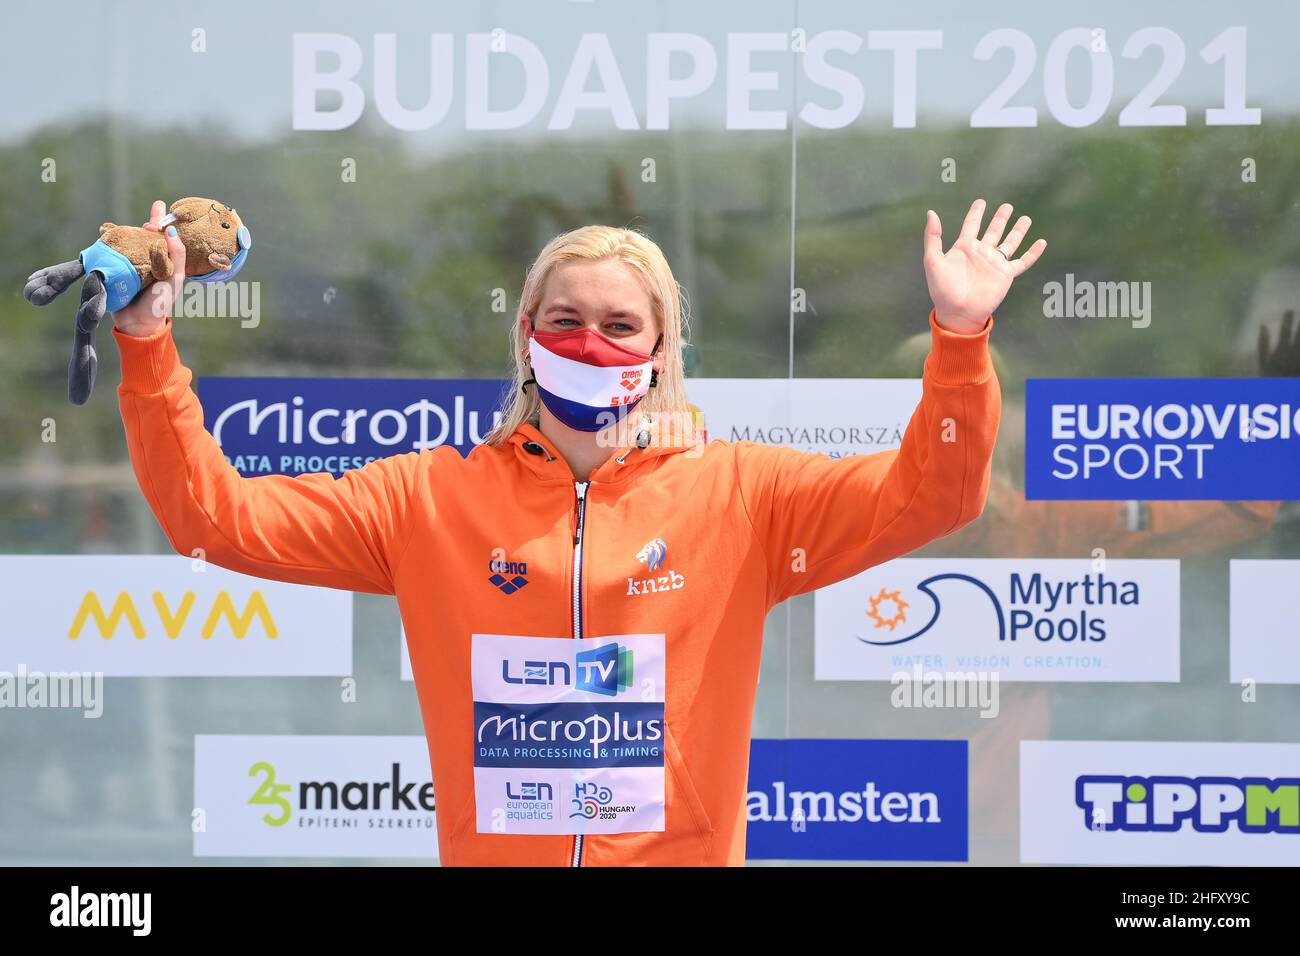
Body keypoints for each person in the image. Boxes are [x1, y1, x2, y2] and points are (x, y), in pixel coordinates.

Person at [110, 198, 1045, 866]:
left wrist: (961, 340)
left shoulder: (743, 493)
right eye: (565, 321)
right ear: (525, 334)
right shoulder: (426, 497)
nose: (590, 343)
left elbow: (935, 496)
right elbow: (216, 520)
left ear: (660, 349)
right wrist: (151, 351)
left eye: (618, 325)